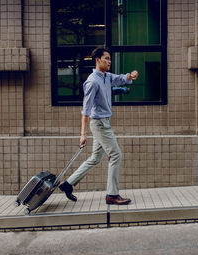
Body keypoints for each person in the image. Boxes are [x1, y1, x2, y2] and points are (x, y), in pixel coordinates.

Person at [59, 47, 139, 205]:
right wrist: (83, 134)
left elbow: (121, 78)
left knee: (95, 158)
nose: (109, 61)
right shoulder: (92, 82)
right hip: (100, 124)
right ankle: (112, 195)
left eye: (110, 59)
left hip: (104, 122)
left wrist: (131, 75)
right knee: (116, 155)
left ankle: (67, 184)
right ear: (97, 60)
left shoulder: (107, 76)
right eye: (106, 59)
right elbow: (86, 111)